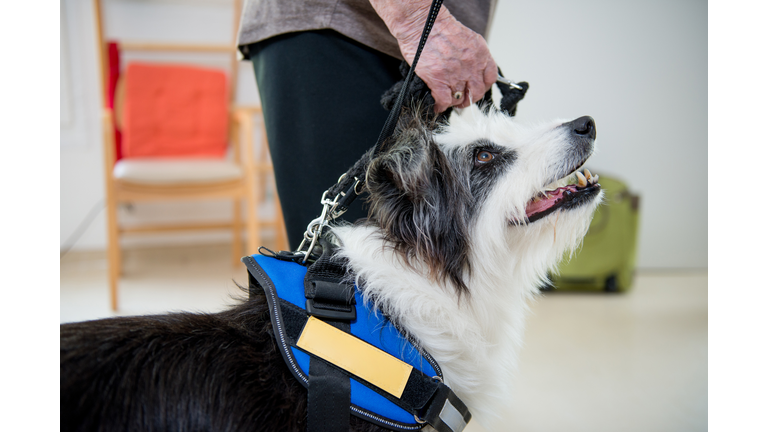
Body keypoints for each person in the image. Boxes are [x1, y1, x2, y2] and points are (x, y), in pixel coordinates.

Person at [237, 0, 499, 249]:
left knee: (410, 264)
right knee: (348, 268)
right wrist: (420, 21)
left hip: (418, 47)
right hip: (345, 28)